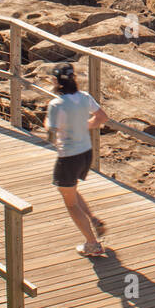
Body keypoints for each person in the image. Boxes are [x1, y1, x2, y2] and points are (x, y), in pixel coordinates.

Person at [46, 62, 110, 257]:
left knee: (70, 203)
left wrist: (50, 125)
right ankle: (92, 219)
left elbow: (51, 131)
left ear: (56, 81)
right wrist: (84, 126)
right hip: (86, 152)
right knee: (71, 190)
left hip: (68, 156)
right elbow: (102, 118)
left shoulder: (56, 104)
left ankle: (92, 244)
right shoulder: (84, 97)